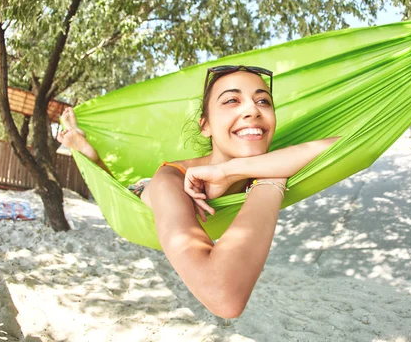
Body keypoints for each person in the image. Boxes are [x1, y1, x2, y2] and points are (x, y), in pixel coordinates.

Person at [58, 65, 339, 318]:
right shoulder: (170, 180)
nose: (253, 110)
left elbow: (343, 142)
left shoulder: (266, 155)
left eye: (263, 100)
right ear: (205, 126)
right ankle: (89, 154)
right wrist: (272, 178)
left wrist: (231, 171)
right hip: (147, 192)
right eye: (232, 100)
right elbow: (223, 297)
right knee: (124, 190)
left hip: (200, 178)